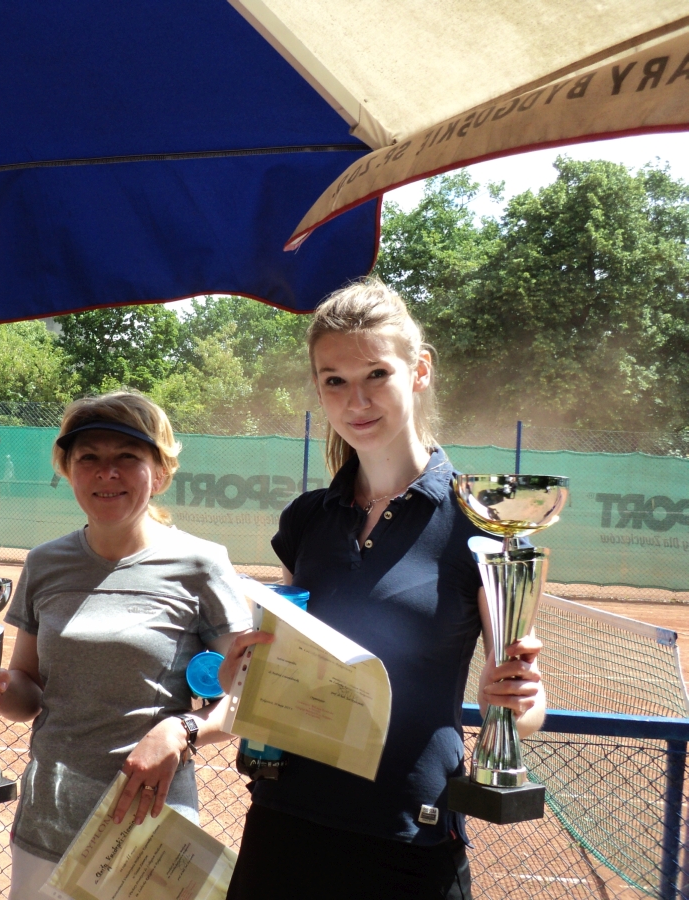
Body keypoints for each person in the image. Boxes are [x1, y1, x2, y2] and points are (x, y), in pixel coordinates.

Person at [220, 279, 546, 899]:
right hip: (286, 821)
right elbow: (287, 661)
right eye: (335, 380)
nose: (357, 400)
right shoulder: (308, 518)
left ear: (419, 371)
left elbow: (528, 706)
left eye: (376, 373)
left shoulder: (484, 521)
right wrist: (248, 673)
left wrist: (511, 701)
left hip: (408, 839)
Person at [0, 392, 253, 900]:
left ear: (160, 472)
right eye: (88, 457)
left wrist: (181, 730)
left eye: (127, 457)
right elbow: (29, 692)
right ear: (68, 470)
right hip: (47, 825)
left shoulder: (201, 564)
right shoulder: (45, 562)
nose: (106, 472)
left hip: (150, 829)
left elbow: (251, 696)